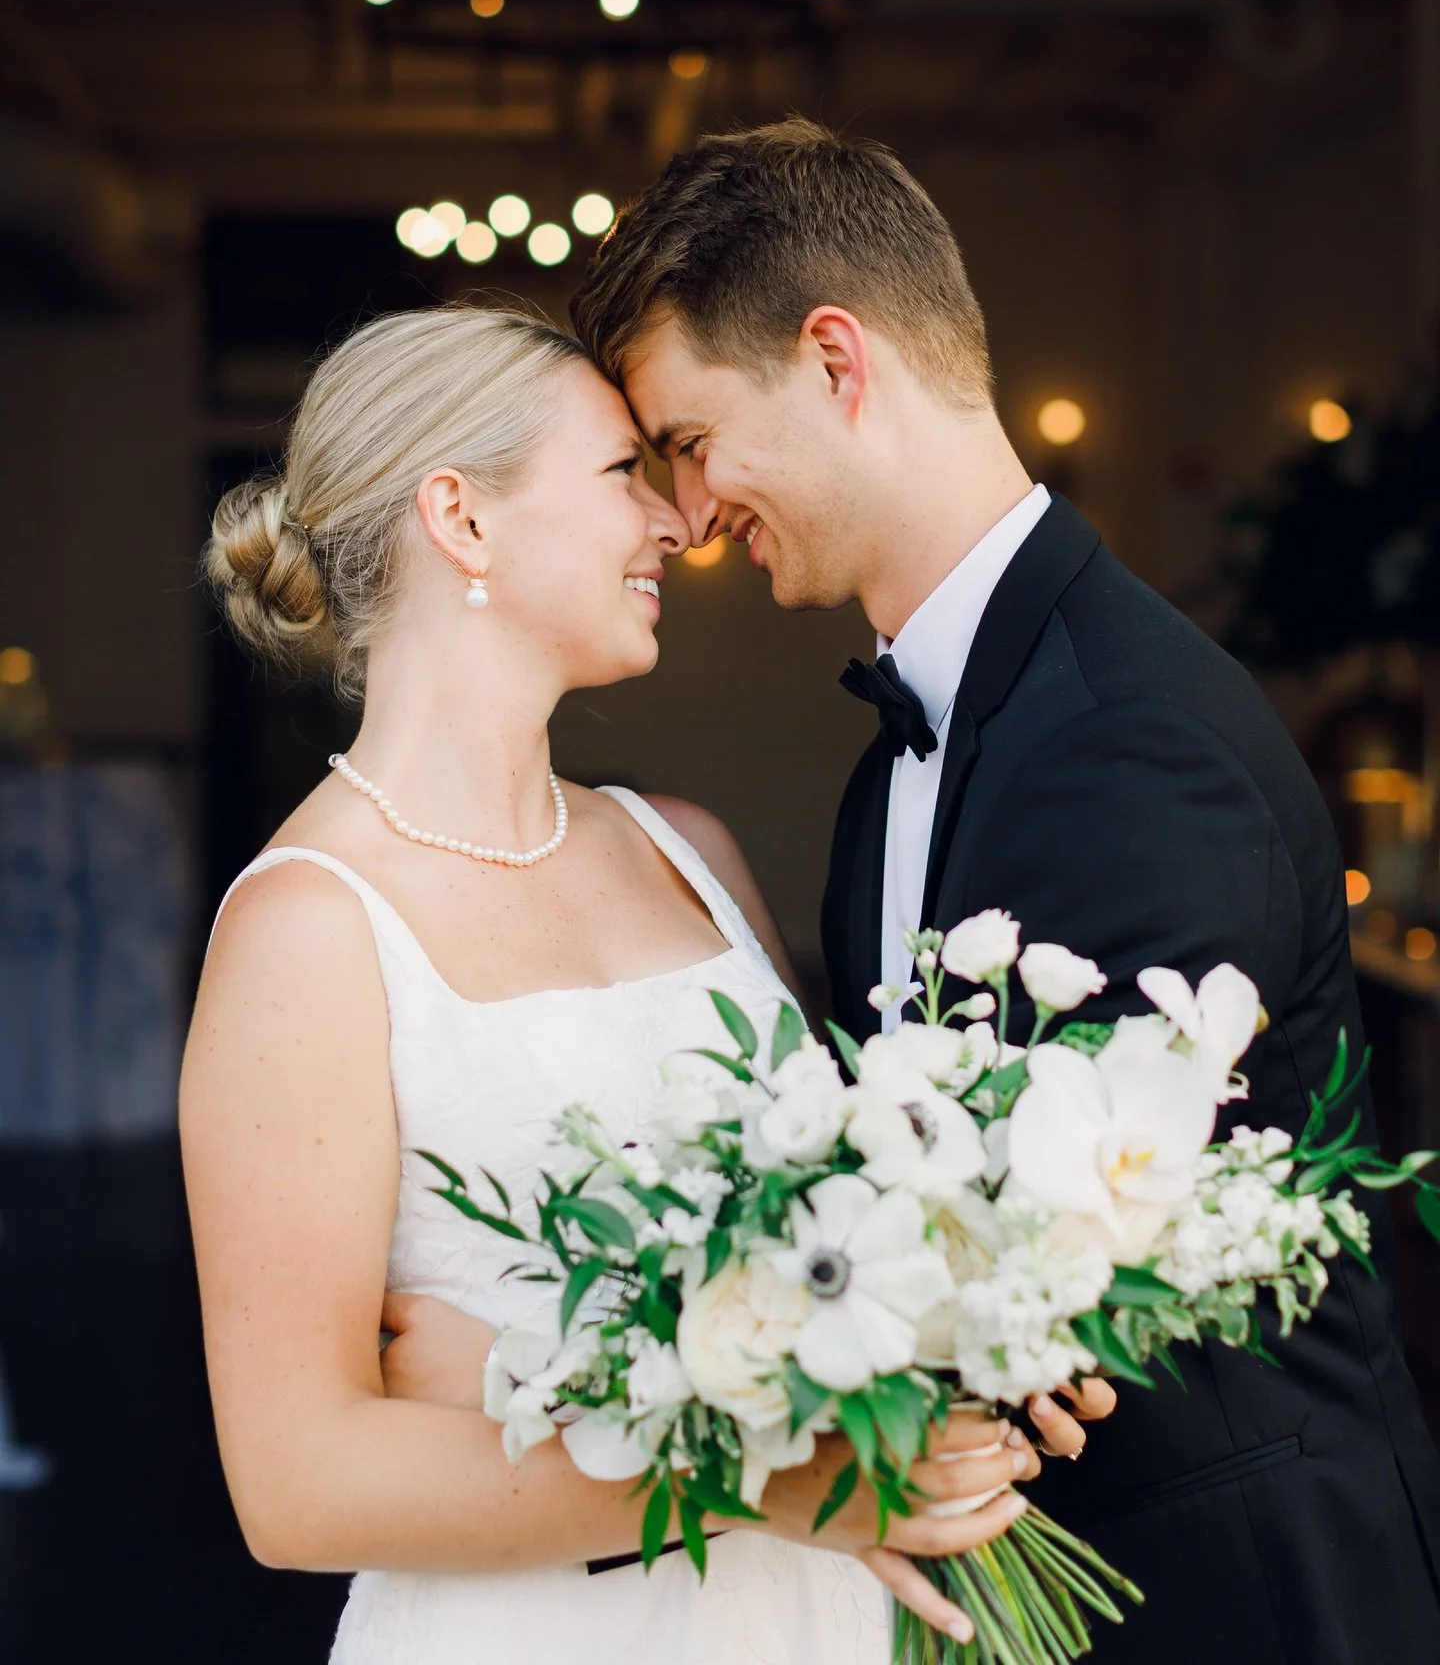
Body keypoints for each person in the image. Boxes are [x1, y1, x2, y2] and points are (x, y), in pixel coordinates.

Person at [567, 116, 1440, 1665]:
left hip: (1230, 1594)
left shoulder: (1127, 734)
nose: (692, 516)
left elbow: (1079, 1268)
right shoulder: (909, 749)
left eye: (693, 441)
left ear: (838, 360)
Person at [182, 303, 1082, 1665]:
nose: (676, 523)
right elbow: (296, 1486)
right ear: (461, 520)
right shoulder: (309, 928)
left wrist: (976, 1331)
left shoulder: (686, 849)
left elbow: (837, 1243)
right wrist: (761, 1484)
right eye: (621, 474)